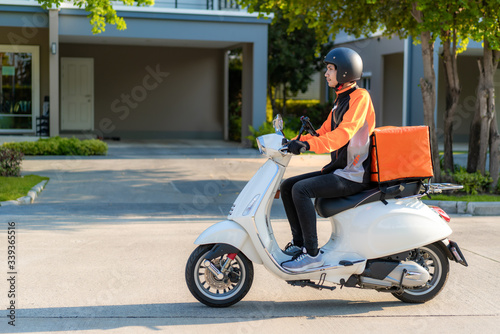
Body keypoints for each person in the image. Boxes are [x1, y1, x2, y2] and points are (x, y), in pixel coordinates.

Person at [281, 47, 376, 272]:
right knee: (287, 186)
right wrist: (293, 141)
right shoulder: (339, 101)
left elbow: (342, 135)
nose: (326, 73)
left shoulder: (360, 98)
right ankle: (300, 245)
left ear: (344, 72)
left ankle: (312, 255)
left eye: (330, 69)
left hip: (353, 174)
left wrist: (308, 145)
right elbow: (322, 132)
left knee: (300, 190)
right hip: (339, 170)